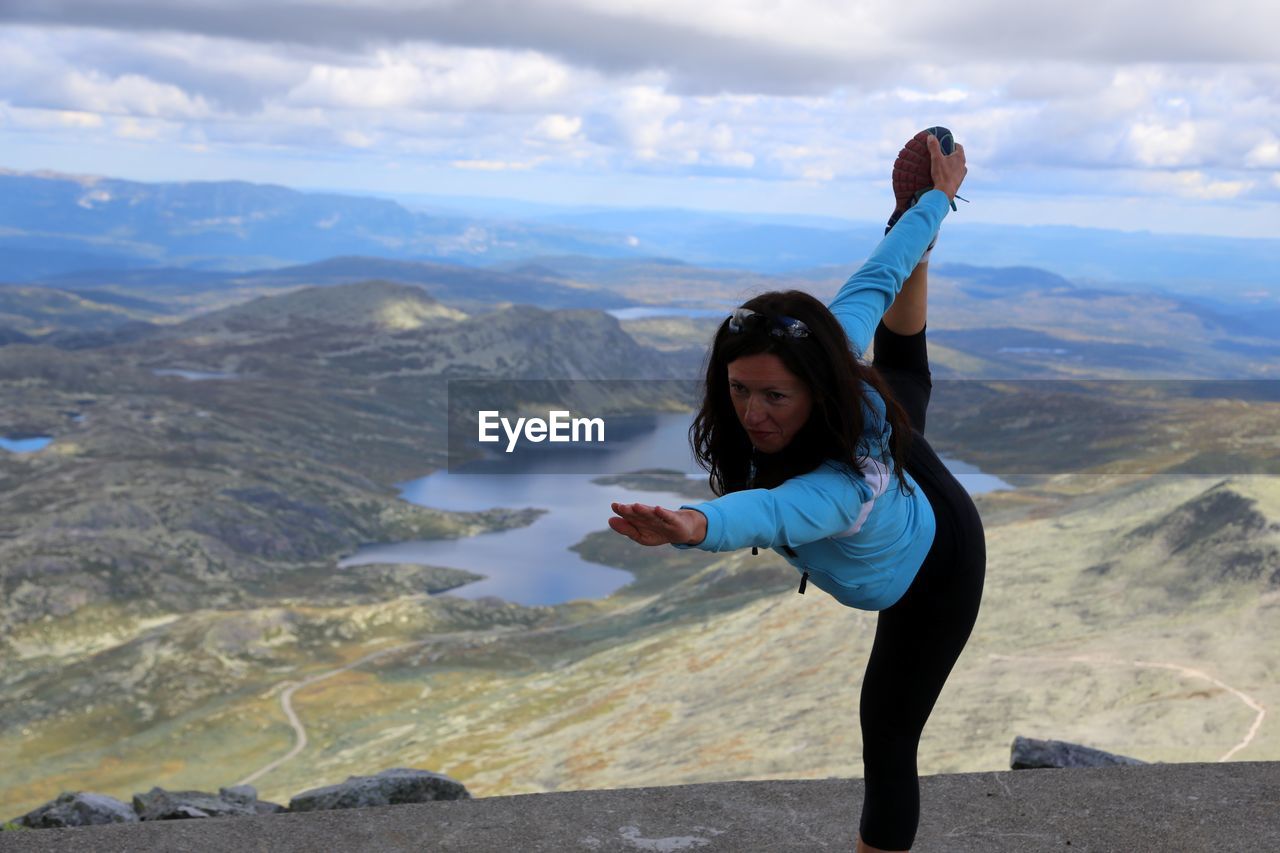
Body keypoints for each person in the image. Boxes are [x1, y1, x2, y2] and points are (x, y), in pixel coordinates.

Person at [609, 131, 985, 852]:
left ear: (818, 387)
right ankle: (924, 246)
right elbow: (881, 271)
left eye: (775, 395)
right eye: (739, 388)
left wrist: (693, 523)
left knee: (888, 736)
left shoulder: (839, 490)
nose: (753, 412)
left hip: (934, 560)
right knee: (901, 370)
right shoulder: (825, 347)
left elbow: (773, 509)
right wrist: (932, 205)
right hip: (880, 434)